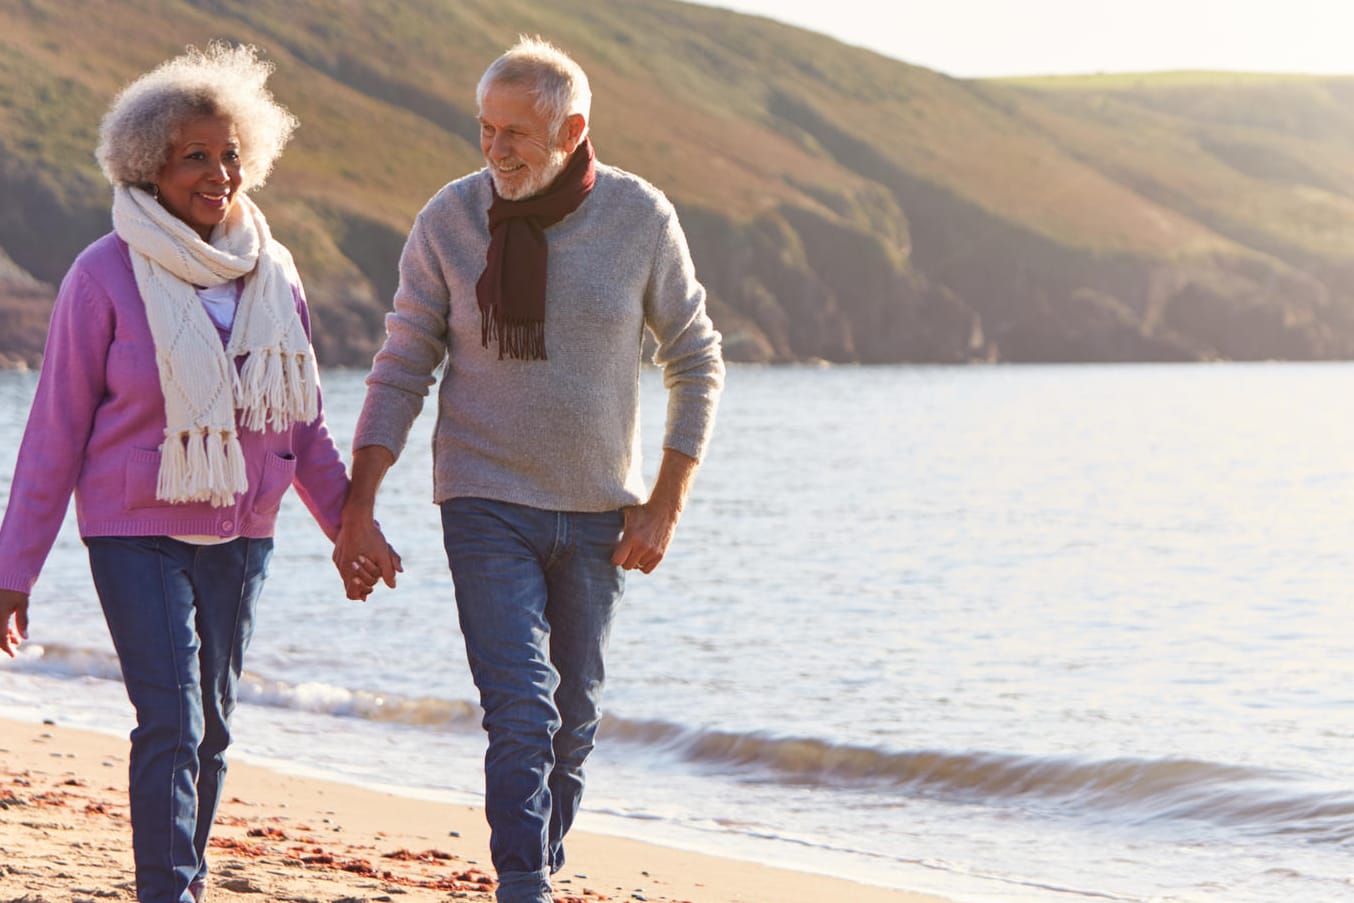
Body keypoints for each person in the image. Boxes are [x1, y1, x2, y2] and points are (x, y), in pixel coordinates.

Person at [333, 34, 725, 903]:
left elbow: (696, 357)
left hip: (597, 511)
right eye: (486, 128)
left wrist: (666, 502)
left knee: (574, 718)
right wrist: (358, 506)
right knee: (522, 702)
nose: (496, 149)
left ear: (572, 127)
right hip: (483, 498)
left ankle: (537, 864)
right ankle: (522, 883)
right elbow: (404, 363)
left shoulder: (639, 217)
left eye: (516, 132)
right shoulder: (448, 219)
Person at [0, 43, 391, 903]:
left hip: (241, 534)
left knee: (211, 727)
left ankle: (186, 878)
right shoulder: (101, 275)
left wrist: (348, 528)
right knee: (171, 718)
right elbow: (54, 432)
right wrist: (12, 572)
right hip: (134, 531)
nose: (219, 174)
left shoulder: (274, 273)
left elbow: (302, 426)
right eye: (195, 157)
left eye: (230, 155)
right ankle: (167, 891)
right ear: (149, 166)